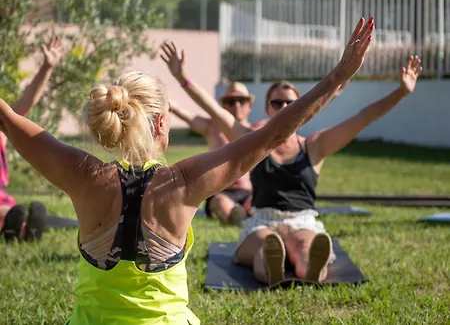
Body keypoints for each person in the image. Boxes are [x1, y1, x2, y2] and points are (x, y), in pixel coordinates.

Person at [0, 19, 371, 324]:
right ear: (161, 123)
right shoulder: (181, 184)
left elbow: (11, 121)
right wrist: (338, 75)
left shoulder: (83, 177)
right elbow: (274, 135)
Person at [160, 18, 423, 286]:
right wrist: (182, 78)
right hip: (262, 221)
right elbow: (215, 111)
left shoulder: (315, 145)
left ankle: (308, 264)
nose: (284, 107)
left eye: (290, 102)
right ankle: (271, 263)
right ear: (267, 108)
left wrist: (401, 92)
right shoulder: (254, 141)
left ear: (301, 107)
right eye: (277, 102)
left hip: (303, 221)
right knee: (265, 246)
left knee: (306, 248)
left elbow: (363, 118)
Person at [165, 70, 263, 225]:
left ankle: (246, 217)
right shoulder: (212, 128)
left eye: (241, 100)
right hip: (220, 192)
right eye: (231, 101)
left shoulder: (257, 131)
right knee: (222, 204)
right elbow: (184, 113)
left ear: (249, 105)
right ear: (224, 105)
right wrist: (161, 97)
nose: (237, 105)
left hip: (248, 192)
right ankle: (240, 219)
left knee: (255, 204)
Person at [0, 37, 64, 242]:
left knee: (14, 211)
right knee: (8, 212)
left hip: (6, 204)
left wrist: (47, 67)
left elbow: (26, 103)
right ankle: (14, 227)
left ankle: (18, 226)